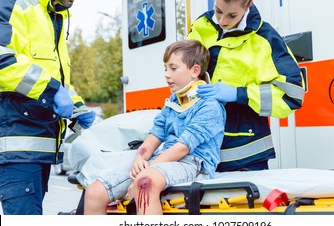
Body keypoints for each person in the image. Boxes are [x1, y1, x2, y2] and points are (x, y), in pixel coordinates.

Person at [81, 39, 226, 215]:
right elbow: (154, 136)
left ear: (195, 70)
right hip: (161, 160)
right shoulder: (173, 102)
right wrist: (139, 159)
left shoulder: (210, 106)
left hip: (194, 163)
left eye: (173, 68)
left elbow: (183, 148)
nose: (167, 74)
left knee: (145, 182)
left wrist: (147, 169)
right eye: (166, 68)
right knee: (94, 192)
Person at [0, 0, 95, 215]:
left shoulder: (52, 15)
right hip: (18, 148)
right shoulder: (12, 5)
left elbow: (55, 76)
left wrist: (77, 106)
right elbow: (2, 62)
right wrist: (53, 91)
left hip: (37, 148)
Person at [187, 0, 305, 172]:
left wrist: (238, 94)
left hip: (246, 156)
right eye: (218, 10)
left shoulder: (265, 39)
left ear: (248, 5)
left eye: (232, 15)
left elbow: (292, 94)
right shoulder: (201, 26)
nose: (223, 20)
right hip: (201, 151)